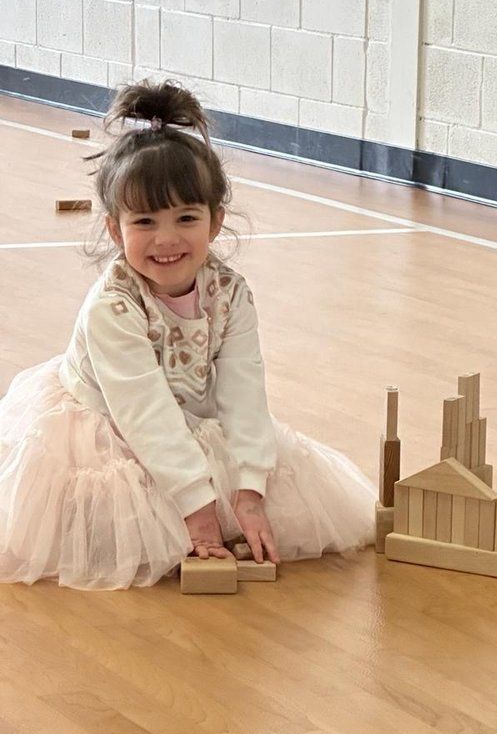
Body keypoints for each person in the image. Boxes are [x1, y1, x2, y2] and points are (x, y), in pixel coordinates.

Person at [0, 79, 375, 588]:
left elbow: (243, 391)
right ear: (115, 229)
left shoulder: (232, 294)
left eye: (187, 218)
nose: (167, 239)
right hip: (111, 421)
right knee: (114, 518)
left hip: (191, 413)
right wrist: (198, 509)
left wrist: (249, 491)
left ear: (216, 222)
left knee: (259, 485)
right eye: (146, 221)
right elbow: (144, 414)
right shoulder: (112, 308)